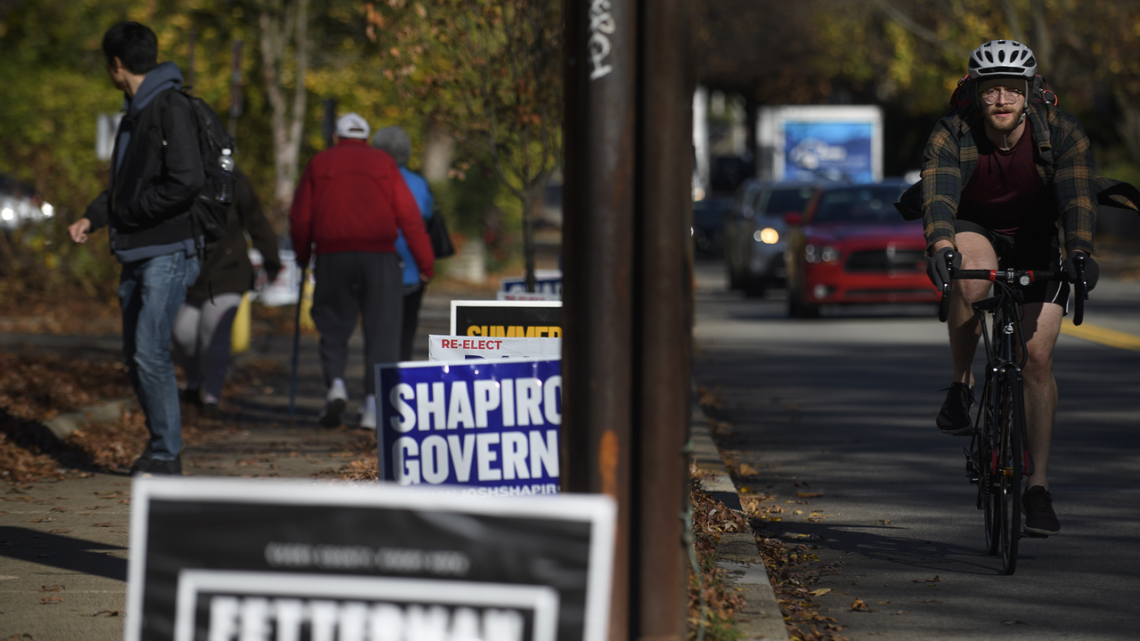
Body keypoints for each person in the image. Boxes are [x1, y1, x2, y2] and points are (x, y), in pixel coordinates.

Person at [922, 40, 1101, 536]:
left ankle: (1038, 487)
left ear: (1029, 92)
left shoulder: (1060, 131)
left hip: (1037, 237)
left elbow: (1077, 196)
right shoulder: (953, 131)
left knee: (1036, 359)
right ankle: (961, 384)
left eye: (1011, 90)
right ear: (975, 93)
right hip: (975, 226)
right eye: (991, 90)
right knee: (972, 273)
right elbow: (938, 193)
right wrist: (941, 245)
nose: (1001, 100)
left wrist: (1080, 252)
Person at [68, 21, 204, 475]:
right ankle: (159, 444)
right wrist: (94, 216)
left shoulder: (169, 107)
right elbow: (127, 185)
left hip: (168, 248)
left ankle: (166, 453)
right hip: (136, 249)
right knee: (136, 356)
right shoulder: (134, 113)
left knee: (149, 351)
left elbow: (186, 181)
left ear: (116, 64)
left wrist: (131, 212)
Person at [289, 113, 434, 429]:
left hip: (332, 255)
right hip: (380, 257)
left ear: (336, 138)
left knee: (333, 323)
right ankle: (372, 405)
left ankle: (336, 385)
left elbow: (300, 216)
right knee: (383, 330)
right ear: (367, 139)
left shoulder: (319, 163)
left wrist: (302, 255)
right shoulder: (384, 163)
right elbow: (410, 217)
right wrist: (426, 264)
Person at [172, 167, 281, 420]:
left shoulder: (235, 181)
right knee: (182, 334)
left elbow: (257, 221)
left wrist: (271, 259)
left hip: (229, 274)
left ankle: (212, 397)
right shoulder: (178, 176)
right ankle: (193, 383)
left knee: (214, 333)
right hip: (190, 277)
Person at [371, 126, 435, 362]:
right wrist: (427, 266)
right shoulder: (418, 183)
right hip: (411, 266)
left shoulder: (369, 180)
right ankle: (402, 375)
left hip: (376, 266)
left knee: (378, 329)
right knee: (407, 329)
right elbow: (425, 220)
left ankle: (376, 379)